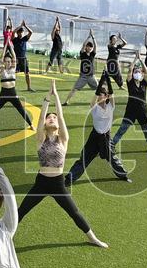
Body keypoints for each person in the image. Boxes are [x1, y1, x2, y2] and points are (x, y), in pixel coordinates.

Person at [17, 81, 108, 248]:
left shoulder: (63, 139)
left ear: (58, 125)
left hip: (58, 183)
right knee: (21, 211)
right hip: (41, 183)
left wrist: (57, 96)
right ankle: (4, 235)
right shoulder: (40, 139)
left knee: (74, 213)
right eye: (48, 118)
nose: (51, 118)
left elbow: (61, 115)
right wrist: (47, 98)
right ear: (45, 124)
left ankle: (92, 238)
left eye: (54, 118)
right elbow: (42, 117)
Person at [66, 76, 131, 185]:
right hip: (94, 136)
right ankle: (69, 179)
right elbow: (96, 94)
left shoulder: (111, 106)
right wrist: (102, 79)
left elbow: (111, 92)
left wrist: (107, 78)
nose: (97, 97)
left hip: (106, 137)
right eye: (98, 95)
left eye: (101, 95)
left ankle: (123, 175)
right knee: (84, 158)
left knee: (113, 158)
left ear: (106, 97)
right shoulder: (94, 107)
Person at [0, 42, 33, 131]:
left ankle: (31, 125)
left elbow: (14, 56)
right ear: (4, 62)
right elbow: (0, 58)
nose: (8, 63)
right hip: (3, 94)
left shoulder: (13, 69)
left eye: (9, 61)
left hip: (13, 94)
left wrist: (10, 45)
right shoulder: (1, 69)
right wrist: (5, 47)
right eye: (6, 61)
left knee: (21, 111)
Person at [111, 52, 147, 155]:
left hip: (142, 112)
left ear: (141, 74)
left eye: (139, 72)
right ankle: (112, 146)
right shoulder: (130, 83)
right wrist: (135, 59)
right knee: (122, 130)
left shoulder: (144, 84)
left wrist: (141, 60)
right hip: (130, 111)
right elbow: (130, 70)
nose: (137, 73)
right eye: (136, 71)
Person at [64, 30, 99, 105]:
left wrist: (93, 37)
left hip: (91, 76)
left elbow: (96, 46)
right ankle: (66, 101)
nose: (89, 48)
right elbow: (83, 45)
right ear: (86, 47)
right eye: (88, 47)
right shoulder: (82, 54)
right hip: (83, 77)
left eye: (90, 47)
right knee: (74, 89)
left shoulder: (92, 54)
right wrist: (88, 37)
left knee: (99, 90)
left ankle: (101, 102)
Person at [11, 20, 35, 92]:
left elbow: (31, 32)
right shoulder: (14, 39)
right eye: (19, 32)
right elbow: (13, 32)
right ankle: (12, 88)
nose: (21, 33)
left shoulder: (24, 39)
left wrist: (25, 26)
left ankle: (29, 87)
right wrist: (20, 26)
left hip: (24, 59)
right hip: (17, 59)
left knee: (27, 73)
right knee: (14, 74)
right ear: (18, 33)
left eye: (21, 32)